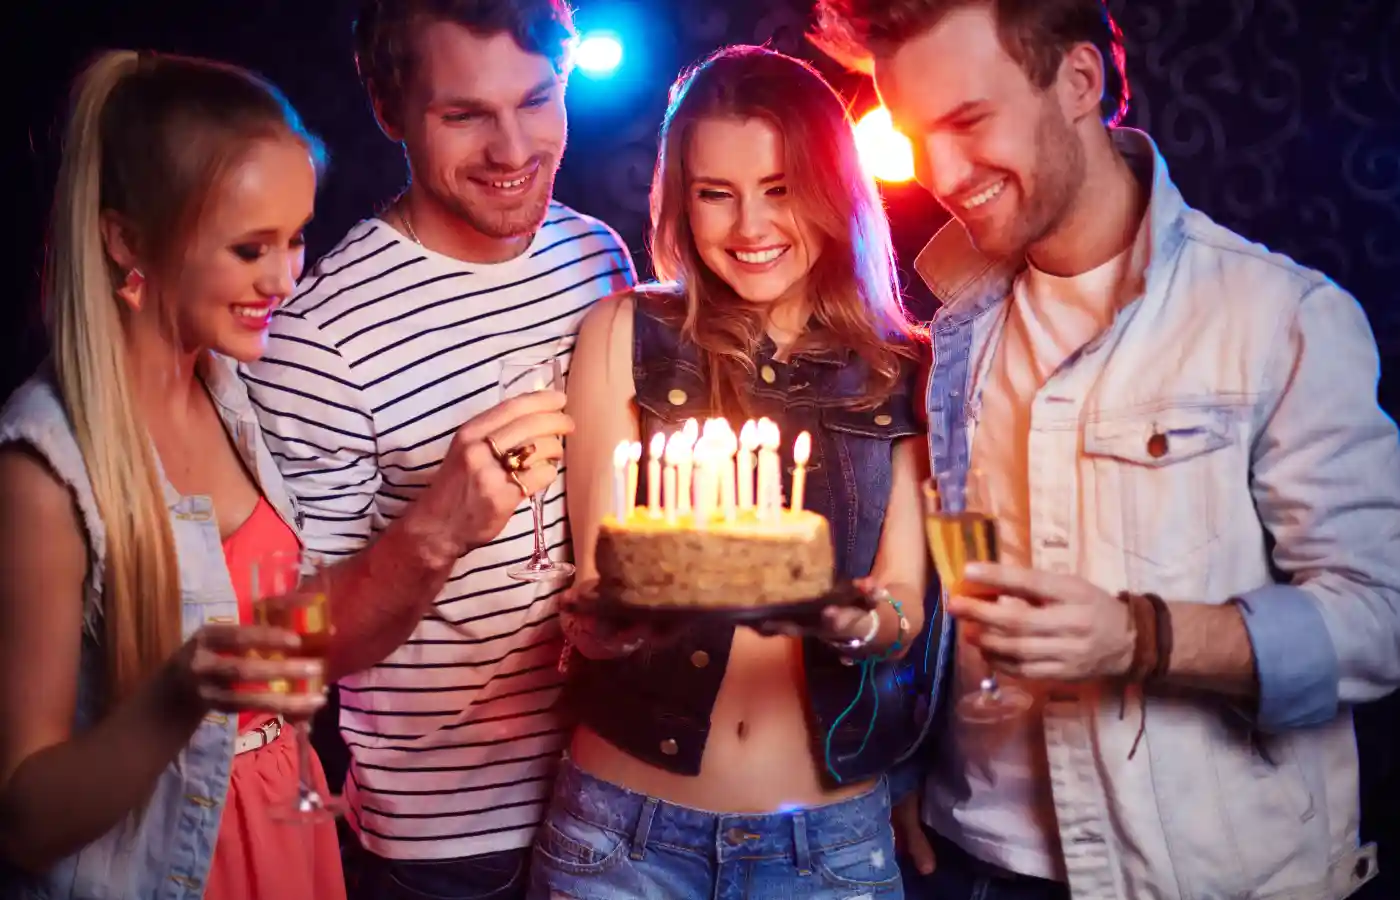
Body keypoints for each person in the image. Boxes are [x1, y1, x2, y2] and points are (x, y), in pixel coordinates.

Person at [811, 1, 1400, 899]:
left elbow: (1381, 620)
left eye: (969, 121)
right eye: (918, 136)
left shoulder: (1278, 317)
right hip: (970, 860)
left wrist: (1140, 636)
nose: (938, 172)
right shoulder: (951, 331)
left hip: (1212, 878)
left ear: (1080, 81)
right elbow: (959, 579)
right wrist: (897, 766)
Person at [528, 44, 947, 900]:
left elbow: (901, 604)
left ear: (833, 190)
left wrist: (852, 622)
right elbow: (604, 572)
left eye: (780, 189)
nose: (750, 228)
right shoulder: (624, 331)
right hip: (622, 837)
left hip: (827, 849)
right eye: (715, 194)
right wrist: (598, 629)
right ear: (680, 202)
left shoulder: (904, 368)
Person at [241, 0, 636, 897]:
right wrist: (436, 528)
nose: (512, 150)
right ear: (388, 111)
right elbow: (303, 645)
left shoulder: (596, 255)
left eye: (538, 101)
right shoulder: (315, 337)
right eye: (464, 115)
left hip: (624, 793)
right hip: (449, 845)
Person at [0, 50, 344, 899]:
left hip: (286, 839)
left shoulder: (231, 391)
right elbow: (23, 821)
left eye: (295, 238)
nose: (284, 279)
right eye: (248, 247)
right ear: (127, 239)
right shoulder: (44, 470)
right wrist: (180, 692)